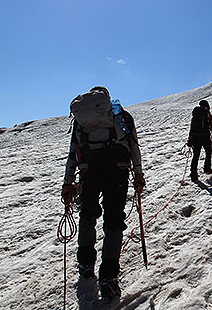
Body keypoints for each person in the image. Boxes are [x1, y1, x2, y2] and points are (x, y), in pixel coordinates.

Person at [61, 86, 145, 300]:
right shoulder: (121, 116)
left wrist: (68, 183)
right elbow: (133, 145)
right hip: (117, 171)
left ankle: (86, 264)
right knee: (113, 221)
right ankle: (109, 278)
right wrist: (138, 174)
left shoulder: (81, 121)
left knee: (87, 216)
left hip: (89, 172)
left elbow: (74, 151)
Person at [187, 100, 212, 181]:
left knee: (196, 156)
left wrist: (190, 140)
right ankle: (207, 169)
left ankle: (193, 175)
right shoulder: (208, 114)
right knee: (208, 152)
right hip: (205, 137)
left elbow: (191, 128)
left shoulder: (195, 114)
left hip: (195, 138)